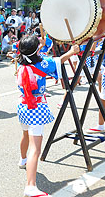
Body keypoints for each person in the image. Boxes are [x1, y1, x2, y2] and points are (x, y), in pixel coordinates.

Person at [16, 35, 79, 197]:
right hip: (35, 107)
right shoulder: (42, 63)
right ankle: (30, 186)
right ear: (37, 50)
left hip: (22, 105)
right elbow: (59, 61)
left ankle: (23, 160)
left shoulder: (21, 62)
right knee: (35, 148)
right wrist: (72, 52)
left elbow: (46, 58)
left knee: (25, 134)